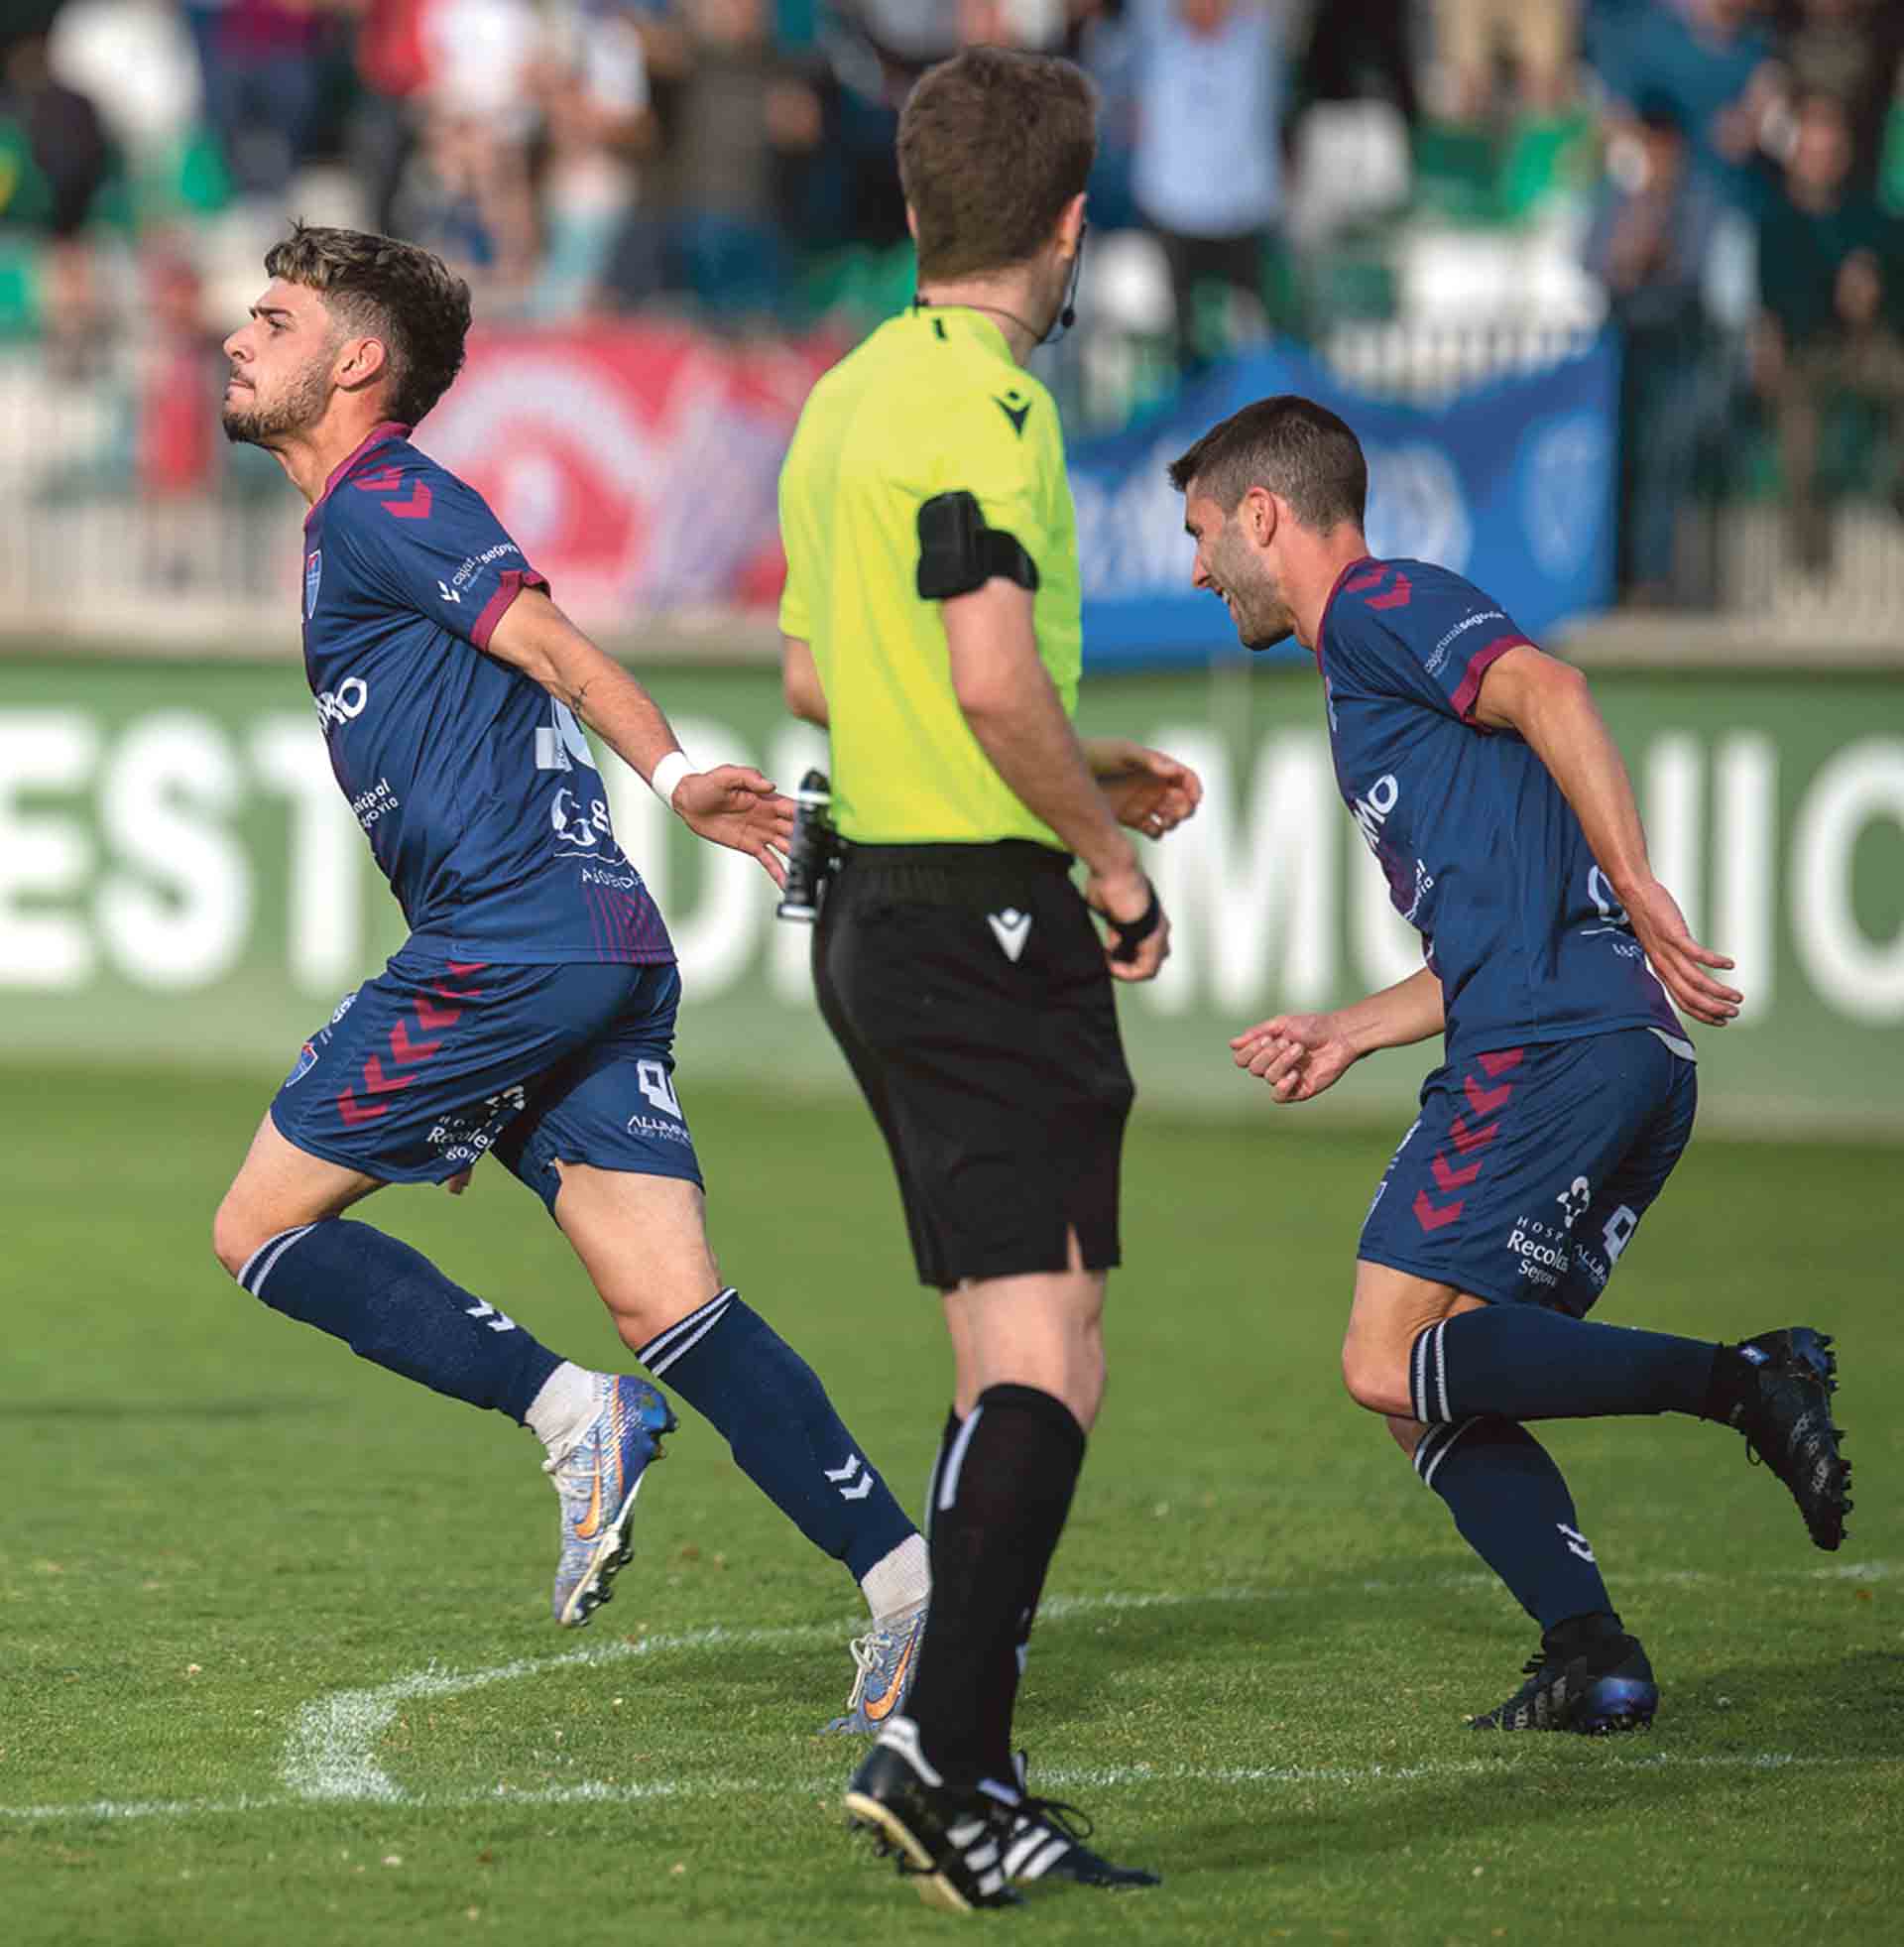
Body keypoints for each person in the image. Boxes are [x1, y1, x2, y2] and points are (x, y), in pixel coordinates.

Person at [209, 222, 933, 1731]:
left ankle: (570, 1415)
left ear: (356, 361)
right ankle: (911, 1591)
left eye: (271, 317)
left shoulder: (383, 496)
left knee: (259, 1226)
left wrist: (675, 777)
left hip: (513, 941)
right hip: (587, 945)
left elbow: (552, 642)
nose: (236, 336)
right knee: (677, 1302)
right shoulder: (351, 522)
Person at [1167, 394, 1852, 1734]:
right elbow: (1494, 923)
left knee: (1384, 1360)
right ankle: (1591, 1652)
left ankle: (1744, 1381)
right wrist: (1352, 1027)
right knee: (1435, 1381)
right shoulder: (1371, 678)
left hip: (1547, 1052)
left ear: (1263, 515)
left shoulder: (1372, 608)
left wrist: (1642, 881)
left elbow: (1553, 686)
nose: (1197, 569)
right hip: (1612, 1052)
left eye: (1202, 534)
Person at [777, 46, 1197, 1910]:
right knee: (1054, 1358)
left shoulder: (847, 397)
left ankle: (970, 1762)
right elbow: (985, 669)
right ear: (1072, 222)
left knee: (1007, 1357)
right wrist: (1104, 855)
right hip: (982, 916)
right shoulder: (991, 410)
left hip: (876, 905)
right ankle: (939, 1755)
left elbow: (818, 673)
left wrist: (1079, 773)